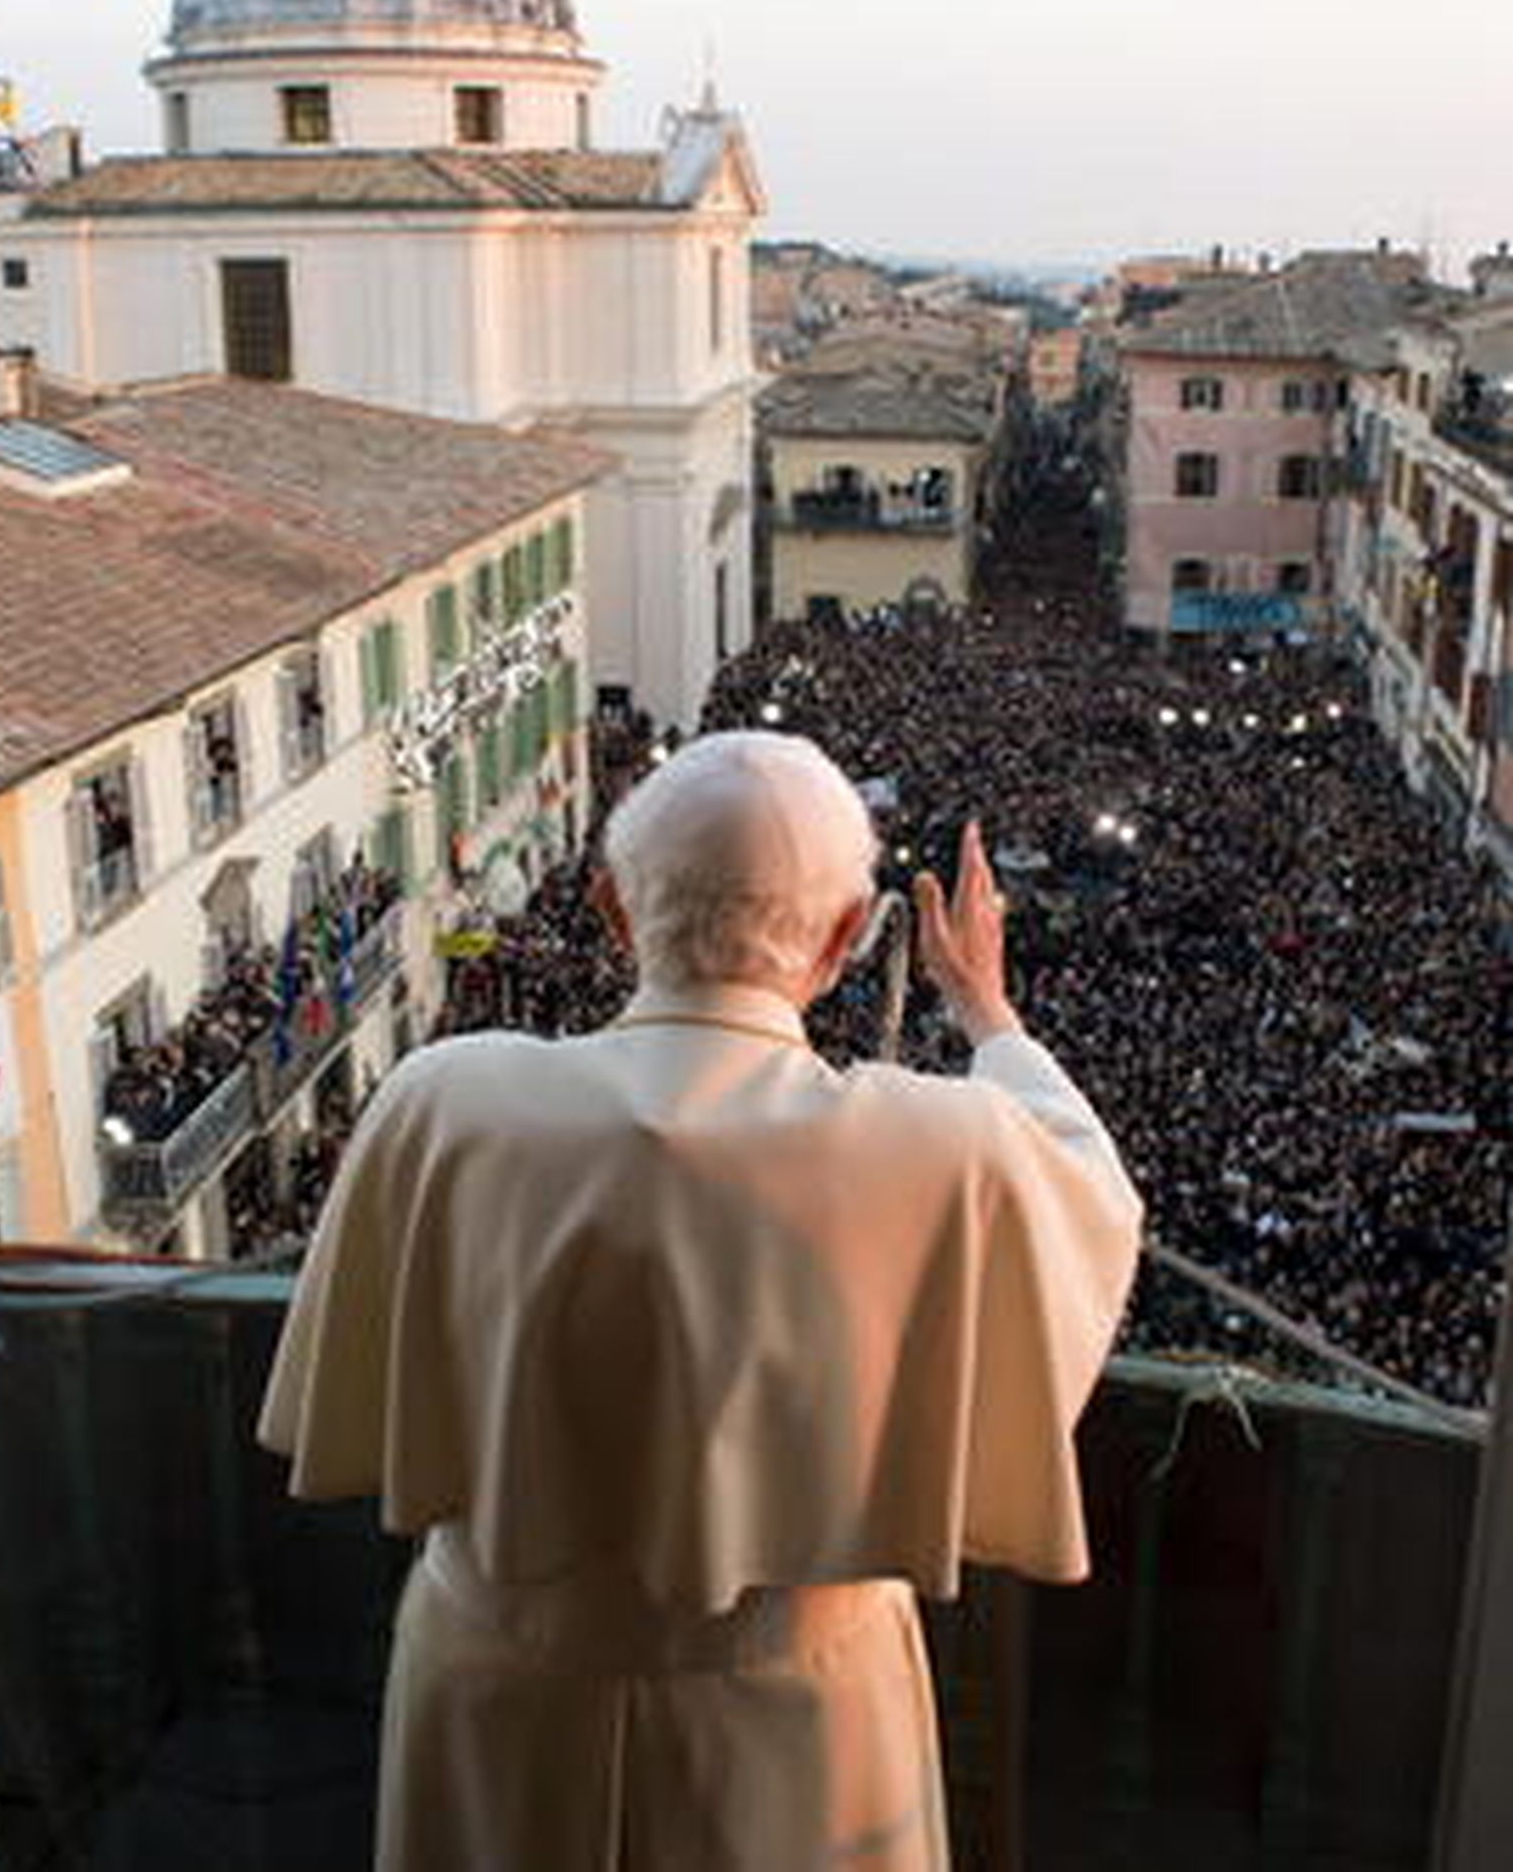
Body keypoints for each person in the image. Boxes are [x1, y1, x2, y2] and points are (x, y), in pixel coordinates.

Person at [258, 731, 1142, 1870]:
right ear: (844, 937)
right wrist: (986, 1011)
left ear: (613, 911)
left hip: (496, 1696)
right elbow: (1092, 1191)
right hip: (802, 1726)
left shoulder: (439, 1101)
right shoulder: (942, 1149)